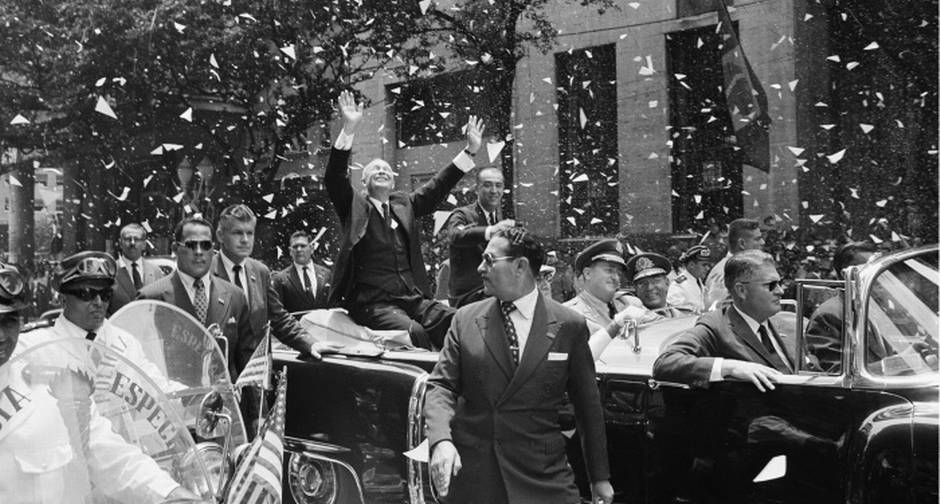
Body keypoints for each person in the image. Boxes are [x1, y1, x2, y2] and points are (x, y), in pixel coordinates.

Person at [424, 228, 614, 504]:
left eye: (489, 260)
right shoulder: (465, 320)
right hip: (476, 479)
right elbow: (441, 385)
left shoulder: (568, 325)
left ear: (520, 266)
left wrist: (599, 477)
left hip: (543, 477)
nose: (480, 268)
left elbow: (587, 407)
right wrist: (441, 440)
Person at [0, 261, 197, 503]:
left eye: (8, 322)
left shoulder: (44, 386)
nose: (1, 336)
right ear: (63, 299)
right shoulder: (35, 349)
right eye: (86, 294)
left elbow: (108, 452)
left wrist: (170, 494)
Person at [325, 90, 483, 349]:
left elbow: (437, 186)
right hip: (372, 302)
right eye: (374, 169)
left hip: (411, 297)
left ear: (394, 181)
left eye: (386, 169)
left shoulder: (404, 204)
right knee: (415, 333)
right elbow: (334, 178)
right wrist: (349, 128)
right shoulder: (354, 204)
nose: (381, 171)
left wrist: (470, 152)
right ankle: (427, 385)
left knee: (457, 321)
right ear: (363, 183)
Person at [653, 250, 796, 391]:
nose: (780, 291)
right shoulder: (717, 326)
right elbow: (666, 363)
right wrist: (730, 367)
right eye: (770, 285)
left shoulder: (788, 324)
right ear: (741, 291)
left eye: (779, 283)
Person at [138, 216, 254, 379]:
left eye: (205, 245)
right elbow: (140, 363)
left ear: (213, 249)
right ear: (175, 248)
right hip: (174, 400)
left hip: (222, 401)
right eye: (191, 245)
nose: (199, 252)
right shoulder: (151, 298)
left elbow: (246, 364)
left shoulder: (235, 296)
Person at [210, 205, 327, 361]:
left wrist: (310, 343)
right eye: (237, 233)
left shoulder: (260, 272)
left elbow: (278, 318)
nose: (245, 240)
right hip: (218, 373)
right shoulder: (206, 273)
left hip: (255, 374)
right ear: (220, 235)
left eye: (250, 233)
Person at [443, 166, 515, 307]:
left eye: (498, 186)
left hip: (492, 291)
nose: (494, 191)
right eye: (487, 185)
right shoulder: (462, 214)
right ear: (476, 188)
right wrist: (491, 231)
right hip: (468, 295)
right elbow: (455, 236)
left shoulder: (499, 220)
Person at [804, 241, 877, 373]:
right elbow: (836, 371)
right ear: (846, 275)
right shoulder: (828, 315)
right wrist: (895, 364)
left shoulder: (874, 308)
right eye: (868, 269)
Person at [703, 218, 765, 310]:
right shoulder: (724, 271)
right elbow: (715, 309)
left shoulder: (743, 267)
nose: (763, 242)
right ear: (742, 243)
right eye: (757, 239)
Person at [108, 223, 167, 315]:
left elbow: (163, 307)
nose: (132, 243)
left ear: (144, 244)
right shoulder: (110, 271)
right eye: (128, 239)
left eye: (137, 239)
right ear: (120, 243)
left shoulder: (156, 272)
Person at [272, 230, 332, 314]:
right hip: (295, 326)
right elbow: (278, 313)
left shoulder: (327, 274)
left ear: (311, 248)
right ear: (290, 251)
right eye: (295, 247)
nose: (299, 249)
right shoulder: (280, 279)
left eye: (303, 246)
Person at [624, 252, 687, 318]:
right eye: (642, 283)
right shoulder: (631, 319)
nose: (650, 288)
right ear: (636, 289)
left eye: (655, 281)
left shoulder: (685, 315)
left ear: (667, 282)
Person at [667, 245, 713, 313]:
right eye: (704, 265)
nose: (707, 268)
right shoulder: (678, 287)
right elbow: (677, 316)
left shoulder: (698, 280)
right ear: (692, 265)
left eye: (708, 265)